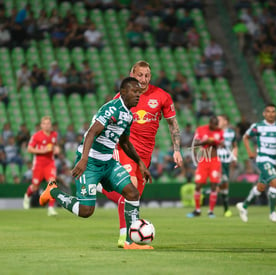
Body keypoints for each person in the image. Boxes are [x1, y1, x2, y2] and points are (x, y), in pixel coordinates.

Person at [39, 77, 154, 250]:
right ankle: (53, 191)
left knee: (132, 193)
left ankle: (130, 241)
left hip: (108, 162)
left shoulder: (128, 115)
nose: (138, 95)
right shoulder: (111, 109)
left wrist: (140, 163)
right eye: (134, 91)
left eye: (139, 92)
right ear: (123, 92)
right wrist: (84, 159)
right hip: (90, 162)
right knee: (86, 211)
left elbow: (124, 143)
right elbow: (91, 133)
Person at [97, 61, 183, 248]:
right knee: (131, 188)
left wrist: (176, 150)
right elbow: (110, 121)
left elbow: (173, 124)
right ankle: (126, 239)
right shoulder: (123, 96)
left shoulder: (162, 96)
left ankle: (101, 187)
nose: (143, 79)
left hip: (145, 155)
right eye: (139, 75)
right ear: (132, 75)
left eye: (146, 75)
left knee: (132, 198)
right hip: (125, 148)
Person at [236, 104, 276, 223]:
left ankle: (244, 206)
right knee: (275, 182)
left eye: (273, 112)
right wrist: (250, 152)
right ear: (264, 114)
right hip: (263, 158)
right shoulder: (258, 126)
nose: (271, 114)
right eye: (268, 112)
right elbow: (245, 137)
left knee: (261, 187)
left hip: (273, 160)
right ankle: (273, 213)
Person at [187, 116, 224, 218]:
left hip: (215, 161)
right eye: (214, 124)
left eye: (217, 124)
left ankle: (210, 211)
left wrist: (216, 142)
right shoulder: (201, 130)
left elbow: (222, 144)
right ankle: (197, 210)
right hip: (203, 160)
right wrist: (206, 142)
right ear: (210, 123)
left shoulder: (220, 131)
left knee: (213, 185)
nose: (215, 126)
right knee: (198, 185)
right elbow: (195, 143)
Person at [23, 116, 60, 216]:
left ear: (51, 125)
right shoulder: (36, 136)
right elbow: (29, 149)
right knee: (35, 187)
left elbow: (55, 145)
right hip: (38, 164)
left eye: (48, 124)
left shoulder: (54, 134)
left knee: (52, 184)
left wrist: (57, 149)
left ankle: (51, 208)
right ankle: (27, 196)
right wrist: (41, 151)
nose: (47, 126)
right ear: (41, 125)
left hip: (50, 163)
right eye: (45, 124)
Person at [216, 114, 238, 217]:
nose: (217, 122)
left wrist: (234, 157)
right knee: (223, 179)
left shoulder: (231, 133)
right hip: (216, 160)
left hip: (226, 161)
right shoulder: (214, 132)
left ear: (225, 121)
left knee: (225, 186)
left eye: (219, 120)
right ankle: (211, 189)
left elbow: (235, 146)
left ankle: (226, 209)